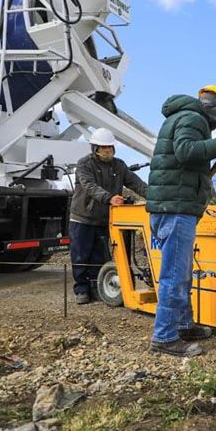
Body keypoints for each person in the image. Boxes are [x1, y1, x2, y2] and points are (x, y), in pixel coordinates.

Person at [146, 85, 216, 356]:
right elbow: (186, 152)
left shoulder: (185, 116)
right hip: (176, 207)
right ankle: (165, 337)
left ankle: (183, 324)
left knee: (182, 271)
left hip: (176, 204)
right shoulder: (192, 118)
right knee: (175, 275)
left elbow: (189, 160)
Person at [69, 128, 148, 304]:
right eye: (104, 148)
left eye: (110, 147)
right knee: (81, 255)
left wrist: (154, 195)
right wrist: (109, 198)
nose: (107, 151)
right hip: (83, 218)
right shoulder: (84, 165)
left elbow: (136, 183)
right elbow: (89, 186)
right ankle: (81, 290)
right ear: (95, 148)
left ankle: (96, 288)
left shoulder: (119, 166)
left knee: (100, 256)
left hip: (105, 219)